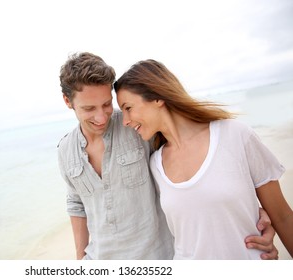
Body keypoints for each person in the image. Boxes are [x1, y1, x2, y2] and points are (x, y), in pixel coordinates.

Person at [58, 52, 278, 260]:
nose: (101, 116)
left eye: (107, 104)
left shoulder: (136, 128)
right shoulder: (65, 150)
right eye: (89, 108)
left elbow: (191, 167)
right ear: (68, 102)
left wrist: (250, 211)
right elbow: (76, 204)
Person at [114, 59, 293, 259]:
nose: (125, 121)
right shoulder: (155, 165)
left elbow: (283, 216)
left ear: (157, 97)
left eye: (128, 108)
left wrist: (256, 216)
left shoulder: (235, 135)